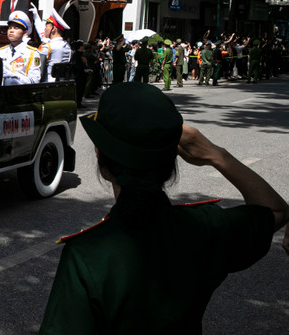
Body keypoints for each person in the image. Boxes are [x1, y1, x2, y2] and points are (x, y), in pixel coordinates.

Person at [40, 82, 289, 334]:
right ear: (172, 162)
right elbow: (276, 211)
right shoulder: (206, 226)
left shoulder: (86, 253)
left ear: (99, 156)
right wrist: (216, 155)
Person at [0, 11, 41, 85]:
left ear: (24, 33)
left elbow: (35, 80)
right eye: (10, 28)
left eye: (16, 28)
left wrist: (13, 76)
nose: (11, 31)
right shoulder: (1, 52)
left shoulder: (33, 53)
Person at [34, 6, 71, 82]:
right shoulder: (67, 46)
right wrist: (36, 18)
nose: (44, 29)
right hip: (61, 84)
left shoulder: (47, 47)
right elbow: (44, 38)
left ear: (53, 29)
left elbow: (36, 63)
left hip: (47, 84)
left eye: (46, 26)